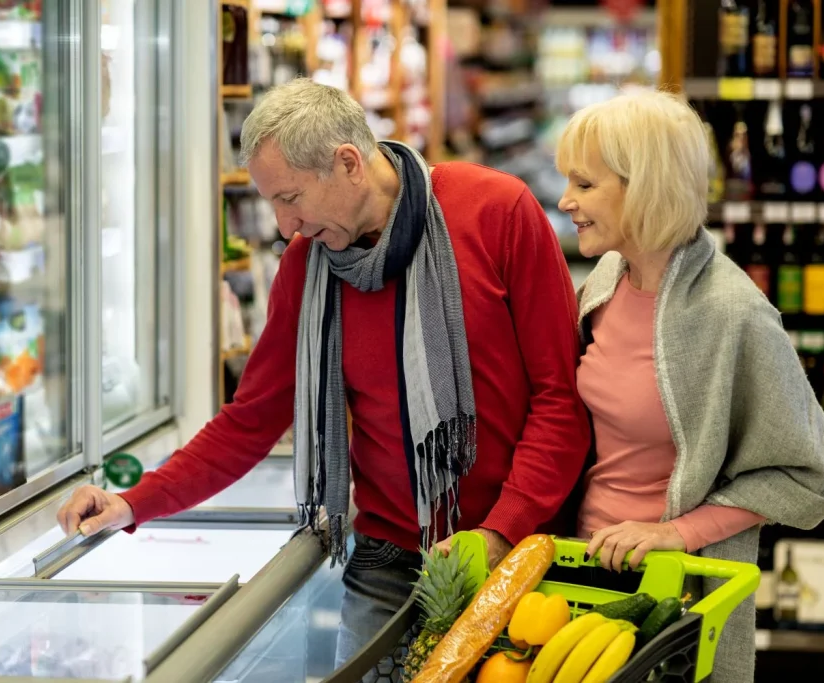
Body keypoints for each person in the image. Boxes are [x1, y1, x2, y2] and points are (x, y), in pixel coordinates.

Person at [57, 77, 591, 674]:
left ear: (347, 164)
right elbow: (250, 420)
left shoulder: (496, 212)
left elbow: (560, 400)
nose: (286, 226)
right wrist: (134, 501)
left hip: (518, 552)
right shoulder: (307, 267)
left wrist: (501, 530)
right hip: (390, 561)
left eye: (291, 198)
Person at [555, 89, 824, 683]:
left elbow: (810, 470)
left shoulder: (733, 313)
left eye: (584, 185)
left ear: (645, 186)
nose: (565, 201)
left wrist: (672, 533)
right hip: (579, 575)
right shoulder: (607, 279)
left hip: (671, 604)